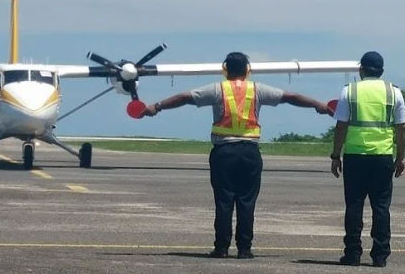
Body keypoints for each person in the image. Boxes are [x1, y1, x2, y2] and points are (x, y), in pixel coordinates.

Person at [141, 52, 332, 259]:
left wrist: (157, 106)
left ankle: (221, 247)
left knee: (223, 201)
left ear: (225, 69)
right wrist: (318, 105)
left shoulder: (217, 89)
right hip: (250, 152)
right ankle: (244, 248)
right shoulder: (257, 89)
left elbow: (185, 97)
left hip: (224, 152)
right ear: (248, 69)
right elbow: (290, 97)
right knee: (247, 201)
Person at [329, 51, 405, 267]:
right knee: (381, 207)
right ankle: (380, 255)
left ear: (360, 70)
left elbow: (341, 126)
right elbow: (401, 129)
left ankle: (352, 253)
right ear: (381, 71)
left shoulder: (350, 91)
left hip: (355, 156)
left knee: (354, 206)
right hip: (382, 157)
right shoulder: (394, 93)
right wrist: (400, 158)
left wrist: (336, 155)